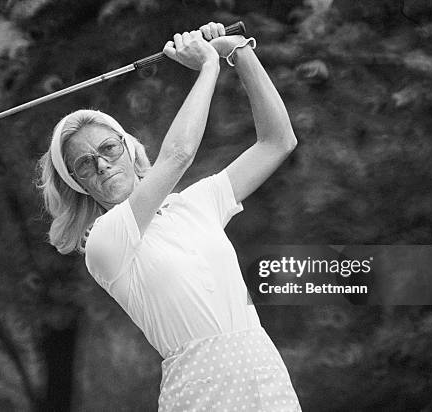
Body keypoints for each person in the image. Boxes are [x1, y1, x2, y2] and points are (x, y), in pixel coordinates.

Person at [37, 22, 301, 411]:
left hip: (263, 371)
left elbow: (278, 141)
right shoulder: (104, 241)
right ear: (77, 184)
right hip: (200, 389)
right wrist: (209, 65)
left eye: (109, 148)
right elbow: (178, 155)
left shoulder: (196, 204)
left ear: (128, 147)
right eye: (85, 164)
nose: (103, 164)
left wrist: (238, 52)